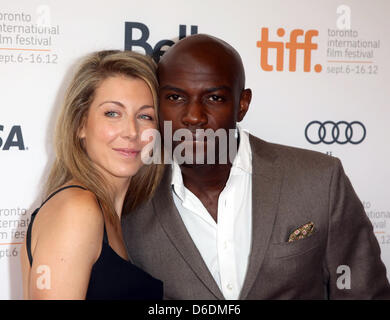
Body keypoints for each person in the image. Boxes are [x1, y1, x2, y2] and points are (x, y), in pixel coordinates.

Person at [121, 34, 390, 299]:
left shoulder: (320, 180)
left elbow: (363, 291)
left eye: (214, 98)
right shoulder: (127, 199)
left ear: (242, 104)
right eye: (175, 98)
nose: (194, 116)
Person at [20, 50, 164, 299]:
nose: (131, 131)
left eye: (145, 116)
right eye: (112, 113)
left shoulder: (117, 218)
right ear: (80, 125)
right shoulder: (77, 210)